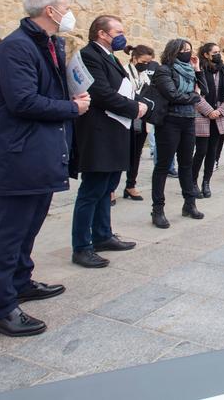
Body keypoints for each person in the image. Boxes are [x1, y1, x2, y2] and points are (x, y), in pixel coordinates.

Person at [0, 0, 90, 337]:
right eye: (66, 7)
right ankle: (0, 309)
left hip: (41, 153)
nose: (69, 13)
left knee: (29, 226)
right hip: (20, 156)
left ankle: (20, 281)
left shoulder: (47, 44)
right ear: (50, 11)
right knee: (10, 233)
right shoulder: (17, 47)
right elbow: (23, 101)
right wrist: (72, 107)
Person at [70, 16, 147, 268]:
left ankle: (103, 235)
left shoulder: (111, 57)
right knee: (92, 190)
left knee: (107, 187)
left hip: (115, 129)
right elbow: (100, 92)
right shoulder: (90, 55)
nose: (123, 36)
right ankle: (81, 246)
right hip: (98, 131)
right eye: (119, 31)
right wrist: (134, 107)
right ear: (103, 34)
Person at [148, 39, 205, 227]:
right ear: (173, 52)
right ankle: (158, 209)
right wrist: (194, 97)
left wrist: (197, 69)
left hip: (188, 121)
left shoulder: (190, 70)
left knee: (186, 164)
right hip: (169, 121)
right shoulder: (164, 70)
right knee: (163, 166)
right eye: (183, 50)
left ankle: (189, 204)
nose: (187, 53)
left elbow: (204, 90)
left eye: (189, 50)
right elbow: (172, 95)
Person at [192, 43, 224, 198]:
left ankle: (206, 182)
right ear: (206, 55)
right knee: (201, 151)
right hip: (202, 116)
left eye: (218, 52)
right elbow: (196, 95)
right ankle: (193, 181)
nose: (218, 54)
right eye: (214, 52)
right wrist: (209, 111)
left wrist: (219, 111)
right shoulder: (198, 71)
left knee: (212, 152)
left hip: (219, 117)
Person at [122, 44, 156, 201]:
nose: (146, 65)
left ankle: (130, 185)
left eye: (148, 62)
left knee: (136, 154)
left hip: (141, 120)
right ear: (134, 58)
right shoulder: (123, 71)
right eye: (143, 61)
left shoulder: (144, 76)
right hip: (124, 118)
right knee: (120, 153)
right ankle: (110, 189)